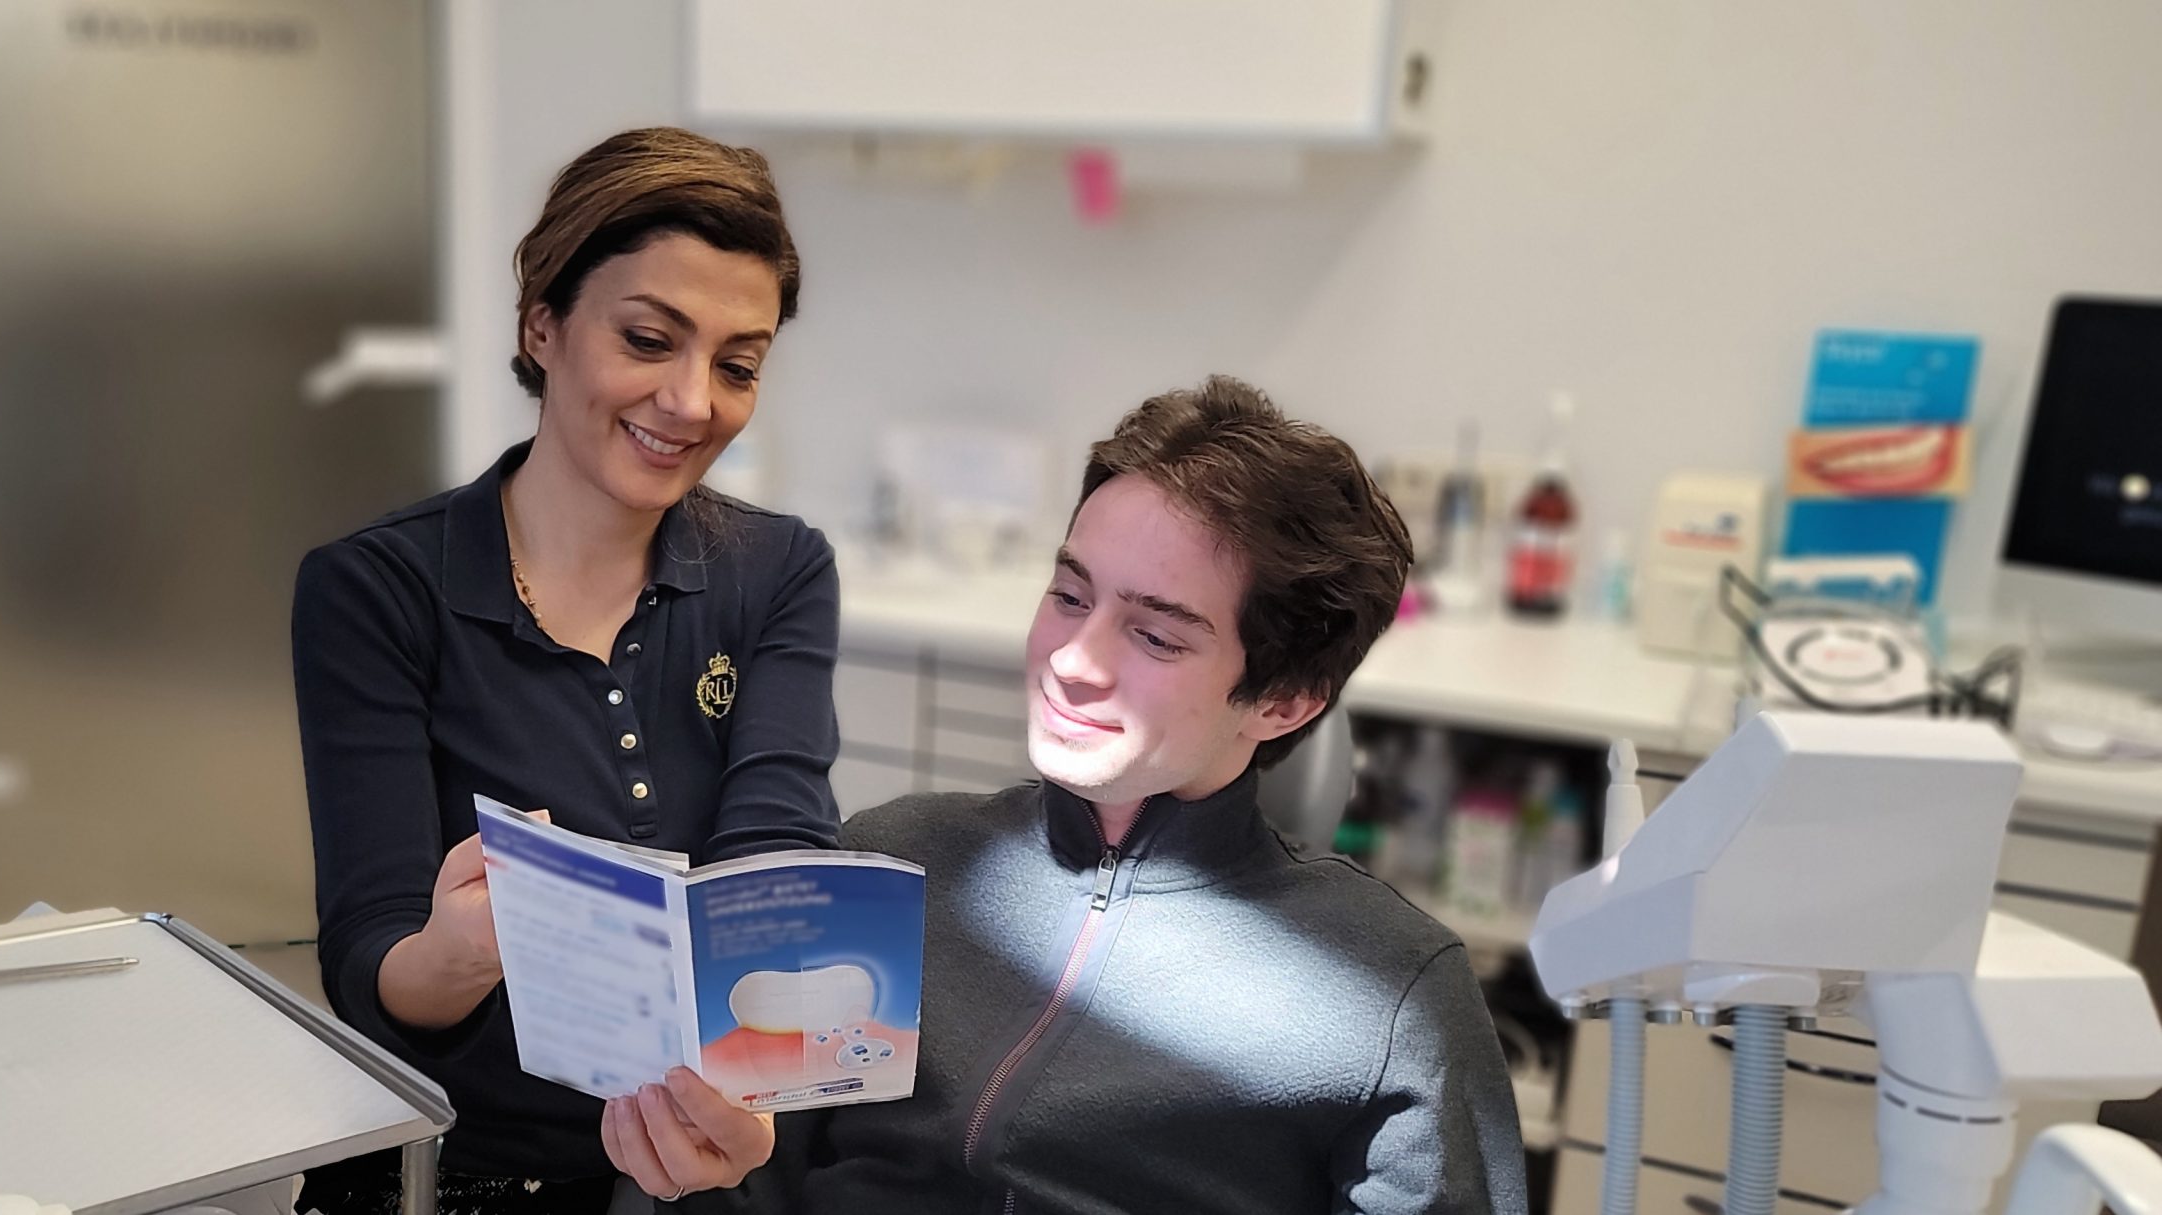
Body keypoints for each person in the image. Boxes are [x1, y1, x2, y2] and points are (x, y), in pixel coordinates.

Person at [680, 376, 1528, 1213]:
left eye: (1155, 635)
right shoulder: (890, 864)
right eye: (1069, 595)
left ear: (1285, 699)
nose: (1074, 659)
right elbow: (749, 1182)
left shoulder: (1388, 996)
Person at [290, 127, 837, 1215]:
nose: (692, 402)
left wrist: (755, 1095)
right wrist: (459, 952)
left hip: (698, 1163)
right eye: (647, 339)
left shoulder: (778, 570)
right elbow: (370, 960)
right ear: (544, 326)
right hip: (455, 1174)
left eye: (737, 365)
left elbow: (774, 854)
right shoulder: (376, 589)